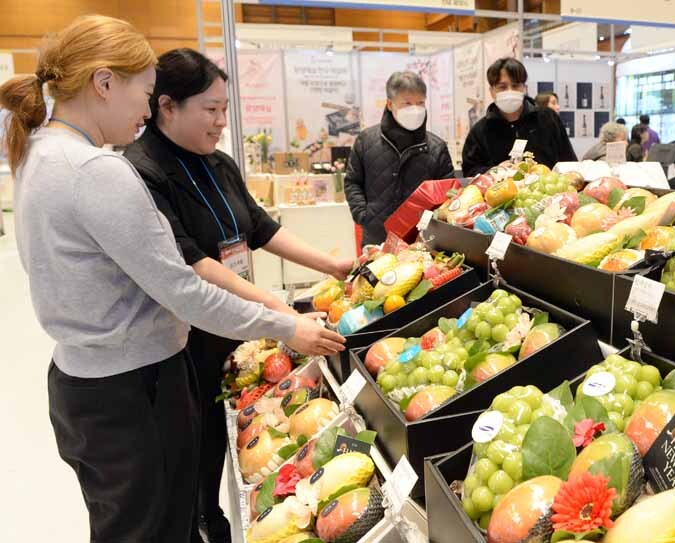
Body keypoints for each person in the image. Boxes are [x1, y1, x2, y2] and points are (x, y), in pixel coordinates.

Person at [0, 15, 344, 543]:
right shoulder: (99, 171)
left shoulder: (38, 152)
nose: (145, 111)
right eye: (144, 94)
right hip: (137, 388)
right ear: (104, 83)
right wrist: (284, 324)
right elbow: (184, 289)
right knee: (160, 526)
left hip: (84, 384)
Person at [123, 48, 354, 543]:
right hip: (188, 337)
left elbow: (261, 228)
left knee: (241, 437)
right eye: (210, 109)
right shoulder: (142, 171)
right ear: (167, 106)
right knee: (198, 451)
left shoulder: (219, 163)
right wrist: (277, 309)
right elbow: (193, 263)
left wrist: (332, 265)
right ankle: (206, 523)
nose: (221, 121)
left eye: (225, 108)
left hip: (241, 327)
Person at [345, 71, 455, 246]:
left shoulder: (437, 147)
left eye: (420, 103)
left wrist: (434, 224)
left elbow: (447, 193)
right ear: (390, 104)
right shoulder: (366, 141)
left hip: (421, 240)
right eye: (407, 103)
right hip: (376, 237)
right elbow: (353, 181)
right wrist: (363, 215)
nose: (415, 109)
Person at [462, 58, 576, 176]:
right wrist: (495, 171)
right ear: (492, 91)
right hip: (502, 187)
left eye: (515, 86)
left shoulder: (548, 119)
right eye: (502, 87)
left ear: (524, 88)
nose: (510, 91)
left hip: (548, 186)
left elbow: (569, 162)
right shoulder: (480, 131)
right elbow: (470, 172)